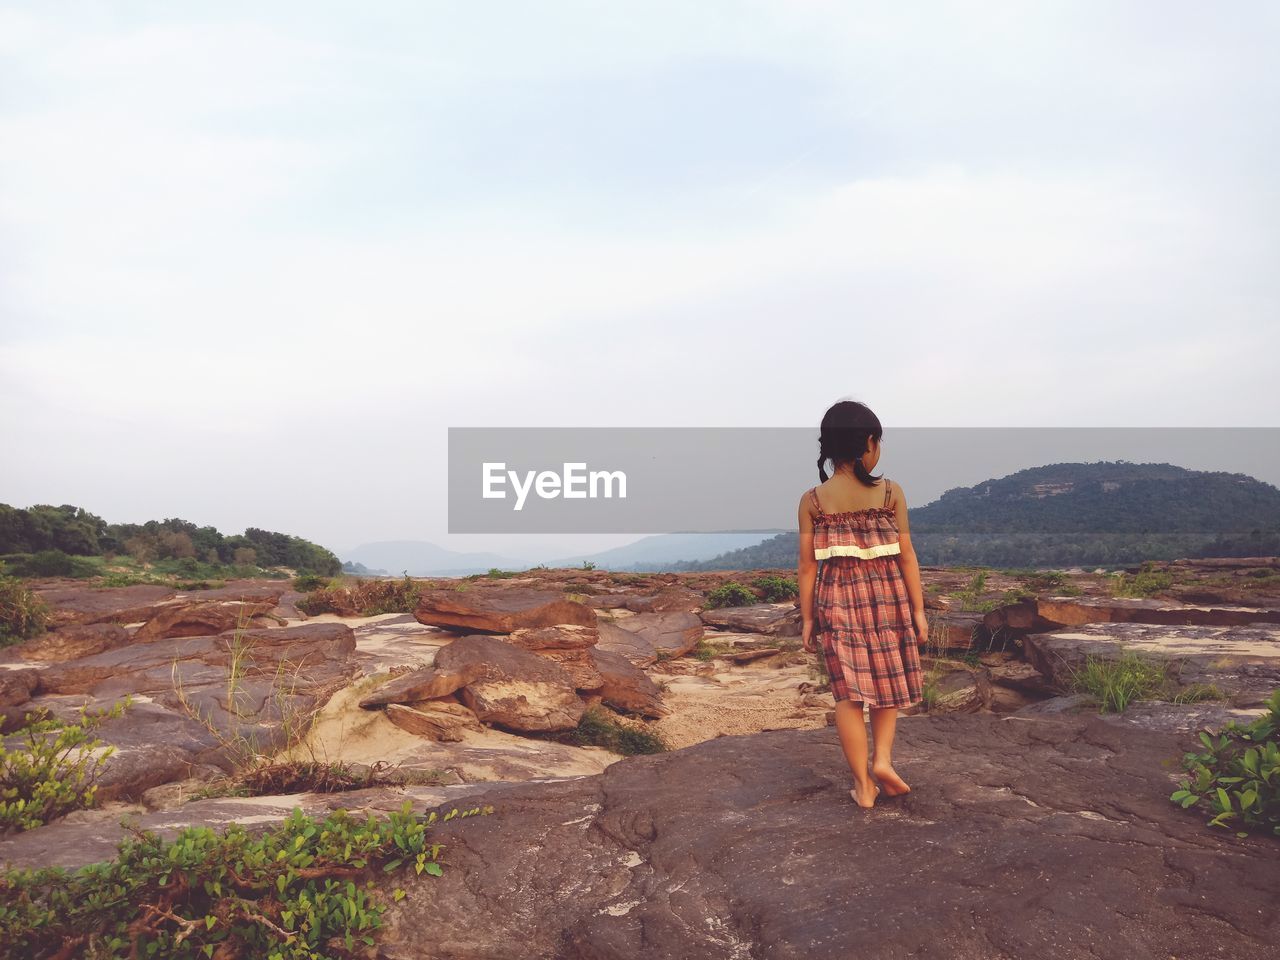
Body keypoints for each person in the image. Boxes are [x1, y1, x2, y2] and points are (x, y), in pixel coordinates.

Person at [797, 400, 928, 809]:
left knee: (848, 696)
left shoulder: (814, 502)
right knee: (887, 686)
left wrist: (807, 618)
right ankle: (883, 761)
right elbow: (907, 555)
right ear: (869, 443)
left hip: (837, 601)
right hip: (889, 598)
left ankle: (863, 786)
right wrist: (919, 611)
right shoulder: (891, 493)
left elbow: (806, 567)